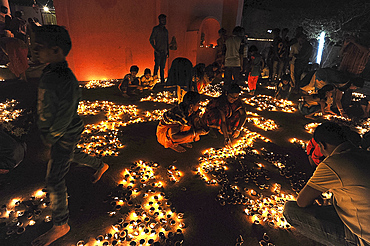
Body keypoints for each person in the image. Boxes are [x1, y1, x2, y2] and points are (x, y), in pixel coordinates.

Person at [31, 25, 109, 246]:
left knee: (55, 178)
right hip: (60, 133)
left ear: (56, 50)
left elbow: (65, 112)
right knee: (70, 156)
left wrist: (52, 135)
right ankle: (99, 164)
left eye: (39, 47)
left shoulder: (65, 79)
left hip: (63, 133)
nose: (34, 51)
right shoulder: (51, 72)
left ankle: (61, 224)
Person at [283, 122, 370, 246]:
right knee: (334, 199)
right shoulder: (364, 153)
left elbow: (302, 202)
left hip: (364, 239)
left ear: (322, 146)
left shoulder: (333, 163)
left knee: (291, 210)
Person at [223, 26, 245, 91]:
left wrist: (223, 62)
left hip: (227, 63)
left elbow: (223, 52)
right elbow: (241, 54)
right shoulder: (240, 40)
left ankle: (226, 93)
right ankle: (234, 93)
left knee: (227, 80)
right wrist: (241, 64)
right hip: (236, 63)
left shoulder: (227, 40)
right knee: (236, 81)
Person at [149, 14, 169, 84]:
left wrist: (167, 51)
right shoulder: (156, 29)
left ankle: (162, 81)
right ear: (159, 20)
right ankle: (154, 81)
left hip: (164, 51)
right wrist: (156, 49)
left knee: (162, 67)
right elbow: (151, 40)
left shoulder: (165, 31)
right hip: (158, 51)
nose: (164, 21)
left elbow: (166, 41)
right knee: (157, 66)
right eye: (162, 20)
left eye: (165, 20)